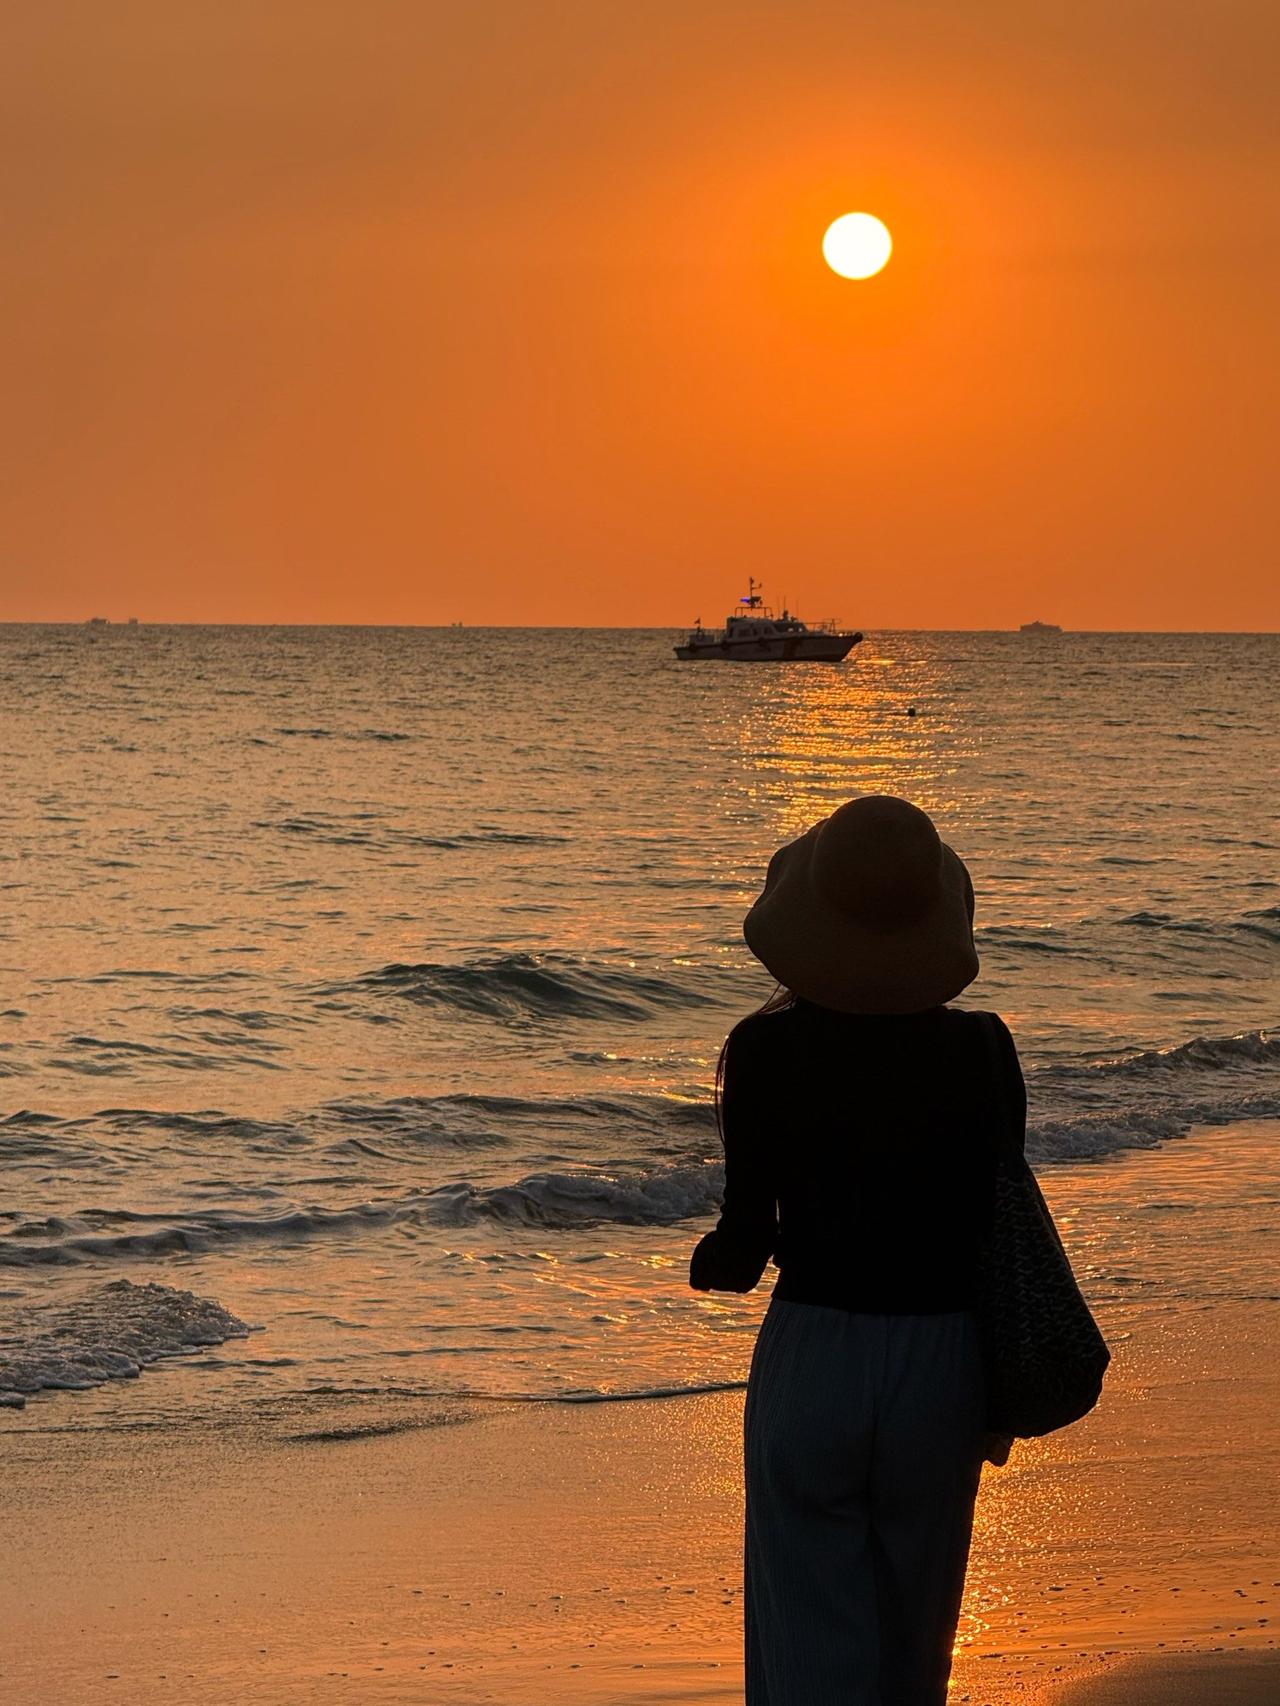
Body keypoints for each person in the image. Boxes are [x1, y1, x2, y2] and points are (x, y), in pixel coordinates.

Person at [689, 794, 1025, 1706]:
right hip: (942, 1351)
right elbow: (1001, 1220)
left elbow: (746, 1244)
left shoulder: (762, 1049)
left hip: (816, 1350)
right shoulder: (982, 1049)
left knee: (805, 1631)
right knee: (916, 1643)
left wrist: (710, 1262)